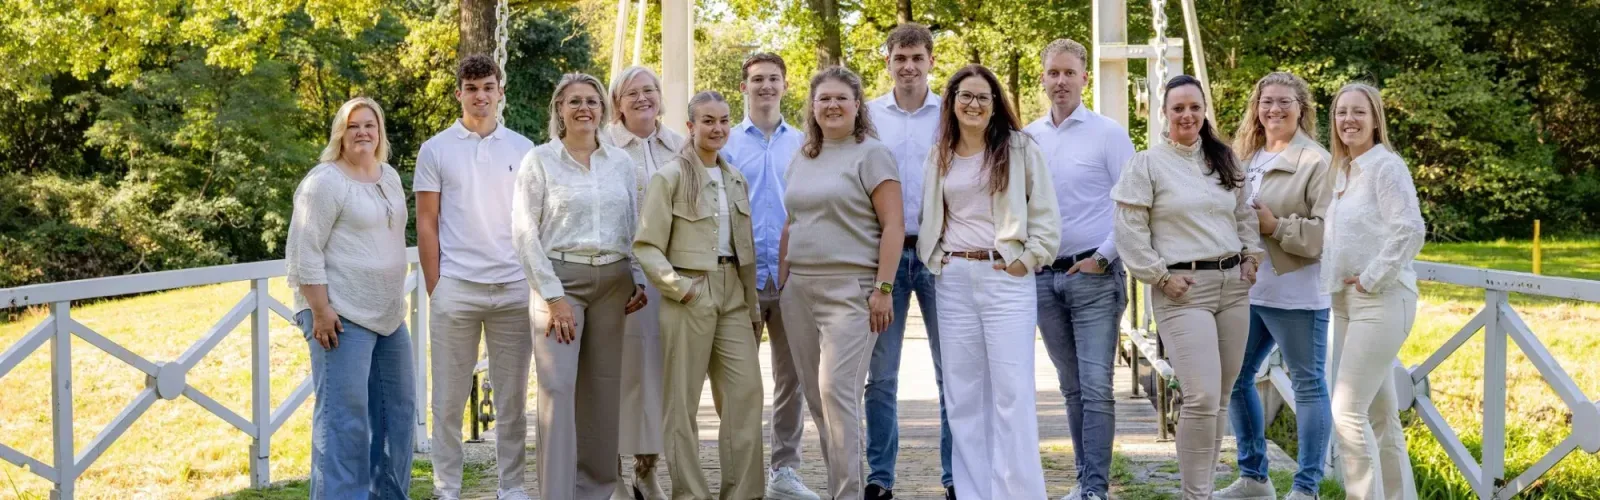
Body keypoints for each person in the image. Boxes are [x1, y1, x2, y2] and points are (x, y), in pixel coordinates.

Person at [1112, 75, 1263, 500]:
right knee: (1200, 394)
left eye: (1195, 107)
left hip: (1232, 287)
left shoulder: (1225, 160)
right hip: (1183, 288)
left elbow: (1244, 216)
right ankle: (1194, 495)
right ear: (1164, 112)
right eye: (1178, 108)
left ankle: (1203, 490)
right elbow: (1130, 230)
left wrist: (1252, 259)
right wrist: (1159, 275)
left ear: (1203, 111)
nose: (1187, 115)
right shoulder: (1147, 164)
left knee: (1220, 396)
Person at [918, 64, 1060, 500]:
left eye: (982, 96)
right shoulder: (940, 151)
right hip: (954, 279)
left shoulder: (1019, 148)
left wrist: (1028, 258)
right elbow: (930, 214)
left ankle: (1017, 494)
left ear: (995, 103)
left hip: (1005, 277)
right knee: (962, 397)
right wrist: (935, 256)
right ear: (952, 102)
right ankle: (974, 493)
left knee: (1011, 392)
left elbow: (1046, 216)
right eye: (965, 96)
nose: (973, 104)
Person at [513, 72, 651, 500]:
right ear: (559, 109)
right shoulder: (539, 161)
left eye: (591, 101)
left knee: (602, 389)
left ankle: (595, 490)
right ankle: (556, 493)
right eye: (574, 101)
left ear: (603, 109)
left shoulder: (622, 164)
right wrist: (552, 296)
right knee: (556, 388)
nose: (584, 108)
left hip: (614, 283)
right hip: (560, 282)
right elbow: (524, 233)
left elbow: (634, 224)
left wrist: (639, 277)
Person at [633, 90, 766, 500]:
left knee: (746, 394)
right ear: (690, 127)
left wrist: (751, 305)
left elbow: (745, 250)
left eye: (724, 120)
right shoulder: (669, 177)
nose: (718, 128)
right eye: (708, 121)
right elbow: (646, 245)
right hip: (690, 291)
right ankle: (690, 493)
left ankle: (743, 494)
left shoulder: (735, 178)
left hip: (733, 296)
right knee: (682, 403)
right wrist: (681, 288)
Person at [415, 54, 537, 500]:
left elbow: (534, 219)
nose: (480, 95)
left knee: (511, 400)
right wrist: (436, 285)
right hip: (456, 290)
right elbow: (426, 220)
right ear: (459, 93)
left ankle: (512, 486)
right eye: (472, 88)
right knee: (447, 400)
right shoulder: (435, 149)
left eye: (488, 86)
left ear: (500, 90)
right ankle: (447, 488)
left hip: (512, 287)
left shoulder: (524, 149)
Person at [779, 65, 904, 500]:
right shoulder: (803, 155)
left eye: (840, 98)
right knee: (818, 400)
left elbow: (893, 226)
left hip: (851, 292)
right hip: (800, 292)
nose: (831, 105)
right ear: (812, 107)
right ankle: (839, 488)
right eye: (823, 99)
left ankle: (848, 494)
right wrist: (784, 281)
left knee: (838, 394)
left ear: (856, 106)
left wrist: (883, 289)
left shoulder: (872, 154)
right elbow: (792, 222)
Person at [1020, 38, 1136, 500]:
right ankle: (1084, 480)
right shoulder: (1028, 137)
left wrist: (1103, 257)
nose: (1061, 81)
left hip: (1095, 275)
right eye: (1054, 73)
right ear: (1044, 78)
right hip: (1044, 278)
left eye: (1070, 73)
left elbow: (1131, 208)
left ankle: (1095, 488)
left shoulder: (1109, 133)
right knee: (1070, 388)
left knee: (1095, 386)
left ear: (1085, 77)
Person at [285, 96, 414, 499]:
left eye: (369, 125)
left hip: (389, 316)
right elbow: (304, 250)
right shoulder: (324, 183)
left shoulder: (387, 175)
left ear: (380, 133)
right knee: (345, 423)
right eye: (354, 126)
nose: (362, 133)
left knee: (398, 413)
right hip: (339, 316)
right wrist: (320, 311)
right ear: (340, 134)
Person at [1215, 71, 1335, 500]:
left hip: (1296, 295)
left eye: (1285, 101)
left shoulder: (1316, 161)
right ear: (1256, 107)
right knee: (1236, 378)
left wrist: (1275, 226)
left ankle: (1306, 489)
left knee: (1307, 386)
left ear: (1302, 108)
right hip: (1248, 291)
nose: (1274, 109)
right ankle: (1254, 479)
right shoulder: (1246, 157)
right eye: (1267, 101)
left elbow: (1325, 235)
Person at [721, 52, 825, 500]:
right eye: (757, 79)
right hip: (738, 279)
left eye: (773, 79)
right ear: (743, 87)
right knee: (738, 383)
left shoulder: (805, 145)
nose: (766, 85)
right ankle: (742, 472)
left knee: (793, 379)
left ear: (785, 86)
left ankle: (785, 469)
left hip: (790, 279)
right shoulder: (725, 144)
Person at [1322, 82, 1423, 500]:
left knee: (1347, 413)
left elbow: (1410, 229)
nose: (1349, 119)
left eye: (1358, 112)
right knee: (1381, 416)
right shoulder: (1344, 170)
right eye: (1342, 112)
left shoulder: (1386, 167)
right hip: (1346, 306)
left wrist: (1371, 276)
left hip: (1381, 300)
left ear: (1375, 119)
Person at [862, 22, 950, 500]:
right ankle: (880, 477)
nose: (909, 67)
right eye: (900, 59)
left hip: (941, 252)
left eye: (917, 58)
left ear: (931, 61)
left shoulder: (952, 112)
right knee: (882, 375)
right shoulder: (869, 116)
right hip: (887, 256)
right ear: (888, 63)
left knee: (950, 371)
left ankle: (956, 477)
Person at [601, 65, 683, 500]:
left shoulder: (680, 146)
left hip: (668, 278)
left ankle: (647, 469)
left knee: (660, 378)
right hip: (619, 277)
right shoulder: (604, 147)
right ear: (618, 103)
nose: (642, 98)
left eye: (649, 90)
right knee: (615, 377)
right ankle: (609, 472)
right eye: (631, 93)